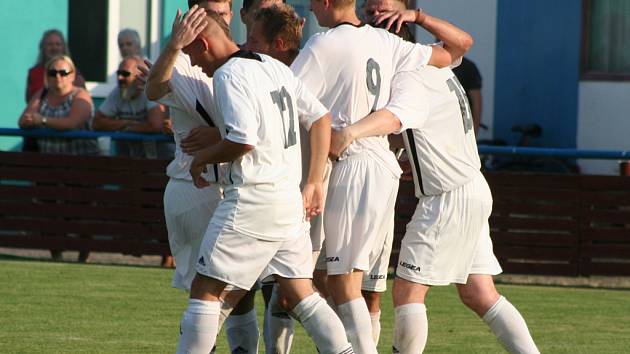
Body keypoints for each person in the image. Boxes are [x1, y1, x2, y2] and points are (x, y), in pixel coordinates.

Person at [330, 19, 539, 354]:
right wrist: (414, 160)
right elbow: (462, 42)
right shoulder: (440, 69)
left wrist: (349, 133)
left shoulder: (410, 77)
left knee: (407, 293)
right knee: (479, 293)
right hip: (472, 185)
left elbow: (396, 119)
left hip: (447, 197)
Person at [290, 0, 472, 352]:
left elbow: (281, 97)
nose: (311, 9)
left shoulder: (322, 43)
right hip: (383, 166)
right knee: (349, 283)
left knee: (341, 282)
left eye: (313, 2)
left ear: (327, 2)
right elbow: (457, 47)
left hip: (353, 163)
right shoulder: (389, 43)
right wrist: (418, 19)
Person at [174, 7, 352, 354]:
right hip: (288, 201)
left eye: (192, 53)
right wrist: (314, 180)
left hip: (253, 200)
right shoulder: (272, 66)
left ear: (204, 43)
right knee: (301, 293)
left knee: (205, 291)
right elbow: (321, 118)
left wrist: (200, 160)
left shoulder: (229, 75)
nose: (194, 64)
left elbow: (242, 139)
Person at [143, 1, 262, 352]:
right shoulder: (184, 59)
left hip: (235, 187)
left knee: (244, 290)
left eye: (225, 11)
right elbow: (154, 90)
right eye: (211, 10)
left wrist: (220, 136)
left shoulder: (243, 61)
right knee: (208, 292)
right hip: (194, 188)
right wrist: (173, 47)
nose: (220, 18)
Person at [18, 54, 100, 262]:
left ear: (73, 75)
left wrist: (42, 120)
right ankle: (57, 256)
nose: (58, 77)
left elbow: (73, 122)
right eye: (53, 72)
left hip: (80, 167)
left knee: (81, 214)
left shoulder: (80, 95)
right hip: (51, 166)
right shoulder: (43, 94)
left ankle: (84, 256)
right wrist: (31, 120)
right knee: (50, 212)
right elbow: (23, 119)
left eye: (63, 72)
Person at [92, 56, 168, 159]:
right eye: (118, 73)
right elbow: (96, 123)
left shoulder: (150, 92)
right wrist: (126, 123)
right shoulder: (118, 92)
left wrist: (127, 128)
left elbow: (155, 125)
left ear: (140, 76)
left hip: (158, 159)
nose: (120, 78)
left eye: (125, 74)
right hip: (129, 160)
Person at [24, 29, 86, 152]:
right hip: (38, 139)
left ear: (64, 47)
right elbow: (28, 101)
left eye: (58, 44)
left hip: (67, 141)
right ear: (42, 47)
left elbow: (79, 114)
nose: (54, 48)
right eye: (50, 44)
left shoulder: (74, 75)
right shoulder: (34, 73)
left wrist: (44, 120)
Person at [452, 56, 483, 135]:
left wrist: (474, 134)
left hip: (461, 127)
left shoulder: (468, 67)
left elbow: (477, 104)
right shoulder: (430, 65)